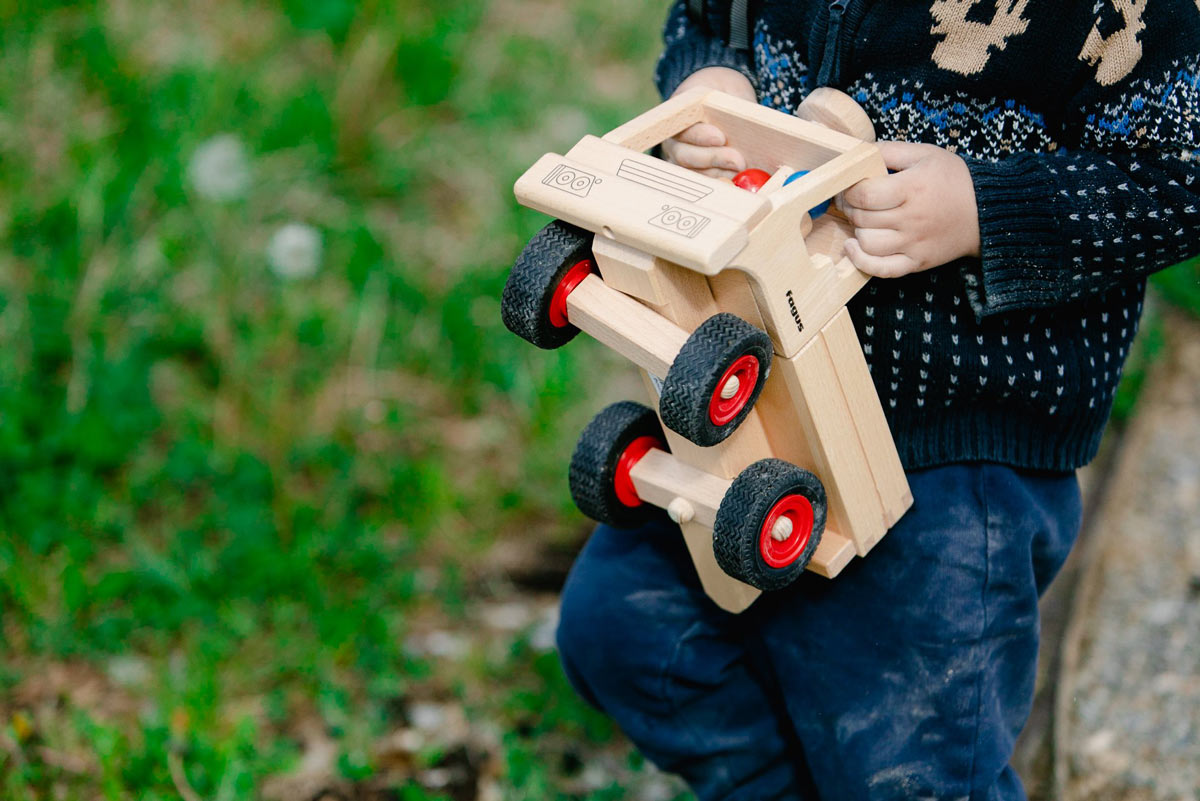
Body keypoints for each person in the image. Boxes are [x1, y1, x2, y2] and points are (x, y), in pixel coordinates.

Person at [555, 2, 1200, 799]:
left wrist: (985, 209)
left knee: (908, 756)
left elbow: (1180, 169)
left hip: (956, 441)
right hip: (755, 385)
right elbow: (709, 15)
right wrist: (708, 84)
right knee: (624, 629)